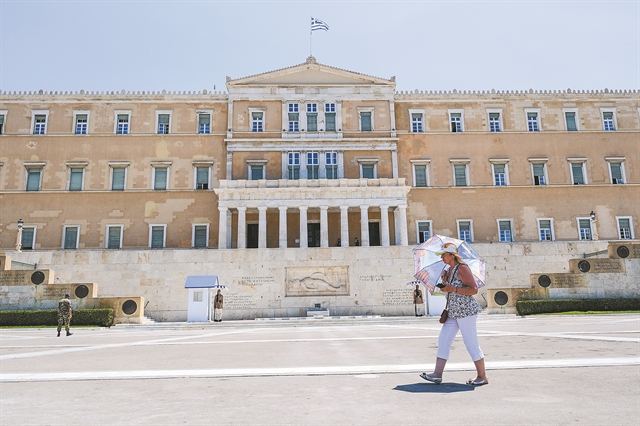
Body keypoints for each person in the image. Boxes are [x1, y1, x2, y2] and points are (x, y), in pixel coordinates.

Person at [420, 243, 487, 386]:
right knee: (443, 340)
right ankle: (437, 374)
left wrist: (453, 288)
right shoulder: (449, 270)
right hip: (453, 311)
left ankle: (482, 376)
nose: (442, 257)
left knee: (471, 343)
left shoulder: (462, 268)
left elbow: (473, 289)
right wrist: (445, 282)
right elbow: (450, 289)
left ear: (452, 255)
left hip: (466, 311)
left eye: (444, 254)